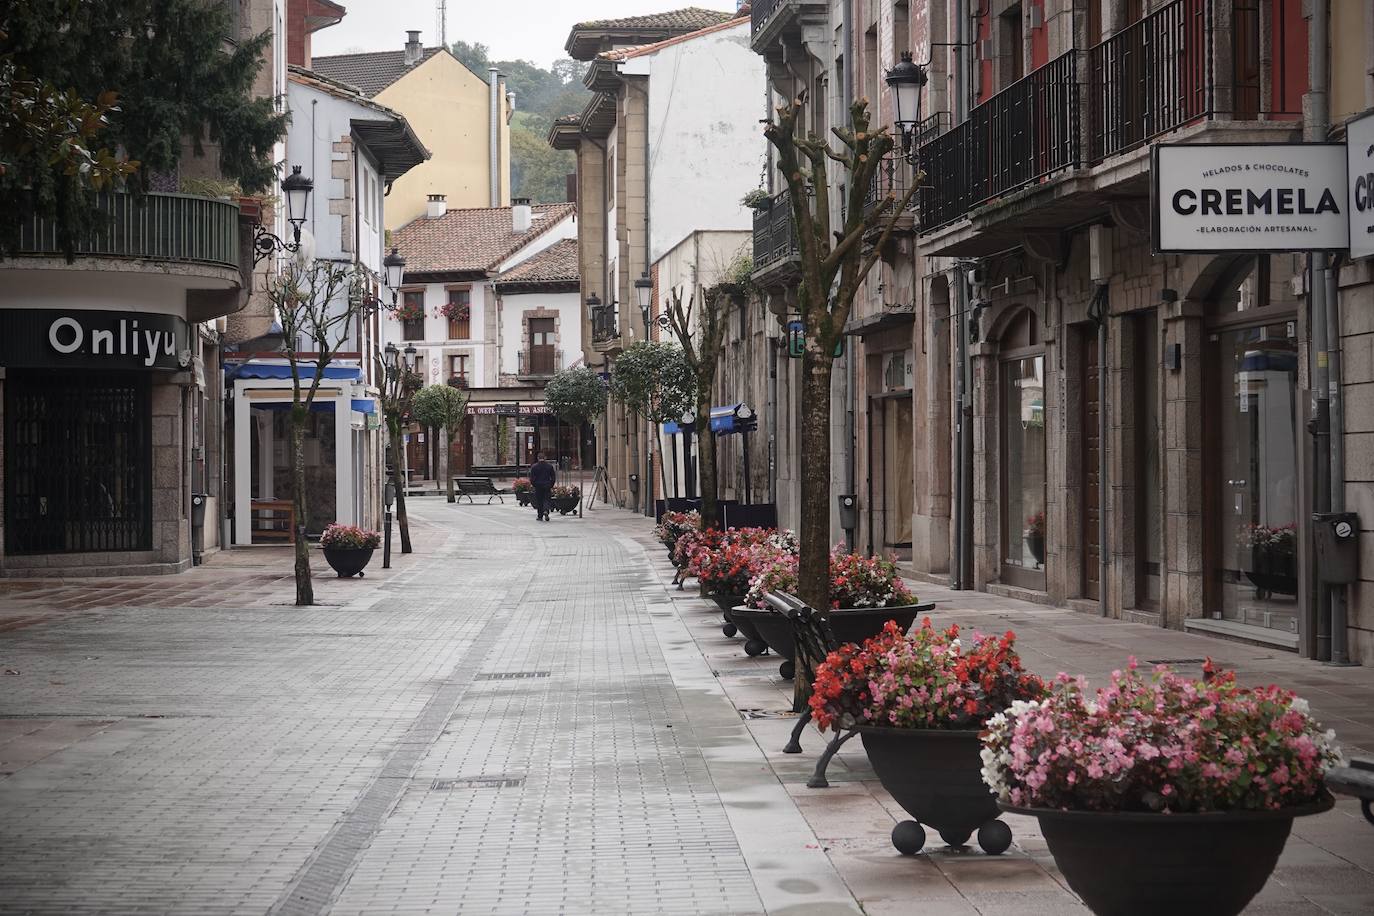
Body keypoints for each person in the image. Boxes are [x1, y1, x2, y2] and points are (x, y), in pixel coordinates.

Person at [530, 451, 556, 522]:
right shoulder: (549, 466)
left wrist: (534, 484)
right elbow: (553, 477)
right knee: (547, 499)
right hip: (547, 485)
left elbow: (532, 478)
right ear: (545, 458)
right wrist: (551, 484)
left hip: (538, 485)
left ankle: (540, 516)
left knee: (539, 500)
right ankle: (546, 510)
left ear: (538, 458)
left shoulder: (534, 467)